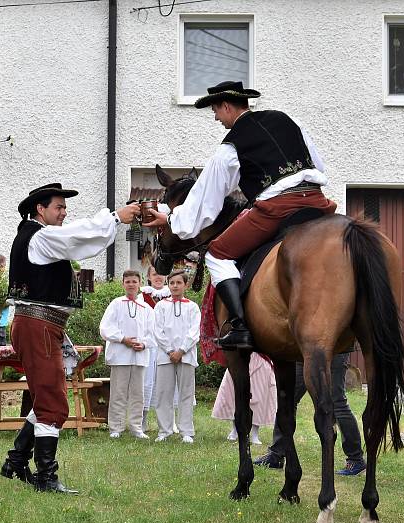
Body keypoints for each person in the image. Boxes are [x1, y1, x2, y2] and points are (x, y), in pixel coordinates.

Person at [144, 81, 336, 350]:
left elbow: (205, 201)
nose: (215, 117)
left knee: (217, 253)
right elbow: (318, 165)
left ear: (226, 106)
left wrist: (173, 220)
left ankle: (239, 327)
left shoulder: (230, 147)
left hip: (277, 208)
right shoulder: (288, 120)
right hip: (317, 201)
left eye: (215, 110)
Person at [0, 183, 139, 494]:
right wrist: (115, 218)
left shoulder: (36, 235)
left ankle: (17, 459)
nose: (64, 213)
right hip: (37, 325)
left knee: (46, 396)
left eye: (64, 208)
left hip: (41, 324)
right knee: (53, 403)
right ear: (40, 209)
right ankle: (46, 477)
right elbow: (80, 237)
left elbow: (76, 236)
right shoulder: (41, 236)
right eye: (58, 207)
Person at [253, 351, 367, 476]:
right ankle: (276, 454)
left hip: (335, 347)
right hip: (305, 349)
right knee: (288, 398)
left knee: (337, 402)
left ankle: (356, 459)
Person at [100, 270, 156, 440]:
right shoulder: (116, 304)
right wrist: (123, 339)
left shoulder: (146, 308)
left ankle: (136, 427)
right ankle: (116, 427)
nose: (131, 284)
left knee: (138, 393)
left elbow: (153, 333)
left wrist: (144, 343)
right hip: (120, 356)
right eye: (128, 281)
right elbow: (105, 328)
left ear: (140, 284)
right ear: (123, 284)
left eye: (134, 281)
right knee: (118, 392)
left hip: (139, 357)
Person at [153, 270, 200, 443]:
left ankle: (186, 431)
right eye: (171, 283)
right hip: (165, 356)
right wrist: (169, 351)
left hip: (186, 356)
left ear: (185, 285)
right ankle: (164, 430)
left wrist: (181, 350)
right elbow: (157, 331)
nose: (175, 286)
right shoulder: (161, 306)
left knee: (186, 393)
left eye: (178, 283)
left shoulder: (192, 307)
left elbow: (194, 332)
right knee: (163, 393)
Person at [211, 352, 276, 445]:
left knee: (260, 394)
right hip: (240, 357)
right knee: (234, 393)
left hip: (261, 357)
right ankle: (235, 429)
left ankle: (254, 432)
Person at [138, 265, 169, 431]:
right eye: (155, 274)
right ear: (149, 277)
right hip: (148, 345)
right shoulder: (142, 296)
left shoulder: (172, 295)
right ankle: (142, 421)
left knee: (167, 384)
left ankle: (168, 422)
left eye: (161, 274)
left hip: (166, 346)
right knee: (146, 382)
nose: (158, 277)